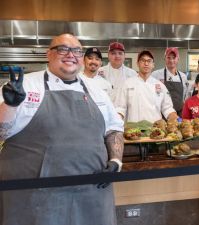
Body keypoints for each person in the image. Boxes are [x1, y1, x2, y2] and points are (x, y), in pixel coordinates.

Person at [0, 33, 124, 225]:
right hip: (37, 197)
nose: (70, 55)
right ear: (48, 54)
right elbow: (2, 132)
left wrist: (116, 161)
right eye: (63, 49)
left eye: (76, 50)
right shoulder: (22, 86)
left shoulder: (96, 90)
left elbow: (114, 128)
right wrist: (10, 105)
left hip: (91, 193)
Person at [114, 50, 178, 123]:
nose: (146, 63)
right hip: (134, 131)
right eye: (143, 60)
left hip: (155, 131)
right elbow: (120, 108)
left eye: (149, 61)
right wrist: (116, 123)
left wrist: (174, 118)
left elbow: (167, 108)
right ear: (137, 63)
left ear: (153, 64)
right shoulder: (127, 84)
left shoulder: (160, 85)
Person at [152, 47, 188, 116]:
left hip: (179, 114)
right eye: (168, 57)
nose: (171, 60)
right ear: (164, 59)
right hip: (161, 114)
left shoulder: (183, 77)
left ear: (178, 59)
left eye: (174, 58)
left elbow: (184, 96)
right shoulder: (156, 75)